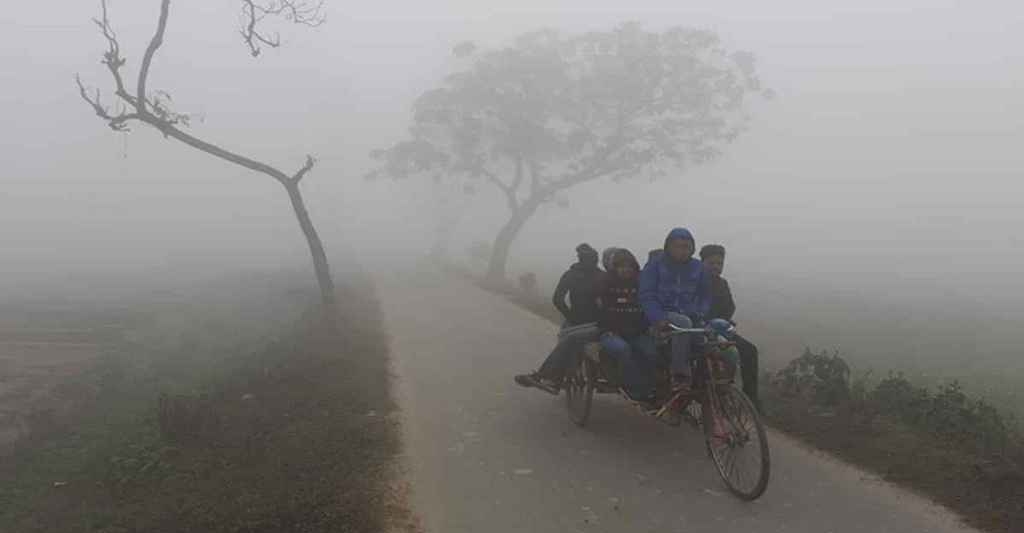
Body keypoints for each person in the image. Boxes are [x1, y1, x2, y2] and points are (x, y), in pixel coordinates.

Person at [515, 243, 605, 392]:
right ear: (596, 259)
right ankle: (555, 377)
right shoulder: (602, 276)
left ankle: (552, 378)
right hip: (597, 321)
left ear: (580, 259)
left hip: (577, 319)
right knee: (570, 343)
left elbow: (558, 299)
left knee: (565, 343)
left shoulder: (571, 274)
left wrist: (571, 316)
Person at [638, 228, 711, 393]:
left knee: (714, 335)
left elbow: (705, 296)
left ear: (692, 248)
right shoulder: (655, 265)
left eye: (686, 246)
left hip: (691, 314)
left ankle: (710, 379)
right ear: (668, 247)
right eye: (677, 246)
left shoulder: (698, 268)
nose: (682, 250)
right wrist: (658, 318)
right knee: (683, 323)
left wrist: (701, 312)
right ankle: (679, 375)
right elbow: (646, 295)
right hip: (663, 314)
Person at [700, 244, 762, 411]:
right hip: (699, 330)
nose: (716, 267)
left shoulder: (722, 284)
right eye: (711, 263)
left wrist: (725, 321)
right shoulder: (694, 282)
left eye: (719, 263)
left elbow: (729, 307)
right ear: (702, 262)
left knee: (749, 350)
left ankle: (750, 398)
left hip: (720, 329)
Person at [596, 249, 658, 404]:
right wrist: (608, 330)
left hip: (636, 333)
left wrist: (648, 327)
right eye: (622, 266)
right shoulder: (605, 285)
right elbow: (600, 312)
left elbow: (647, 310)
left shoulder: (641, 286)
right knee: (623, 350)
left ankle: (650, 388)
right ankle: (632, 388)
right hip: (611, 333)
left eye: (629, 266)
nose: (626, 270)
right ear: (615, 268)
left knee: (652, 352)